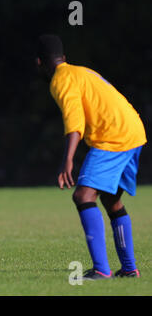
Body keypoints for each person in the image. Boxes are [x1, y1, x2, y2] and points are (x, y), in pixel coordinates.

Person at [36, 34, 147, 280]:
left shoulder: (60, 80)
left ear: (39, 63)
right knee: (110, 199)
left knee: (83, 195)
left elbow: (74, 121)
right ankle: (129, 269)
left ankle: (100, 270)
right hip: (133, 131)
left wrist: (68, 159)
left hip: (114, 136)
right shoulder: (80, 71)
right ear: (63, 57)